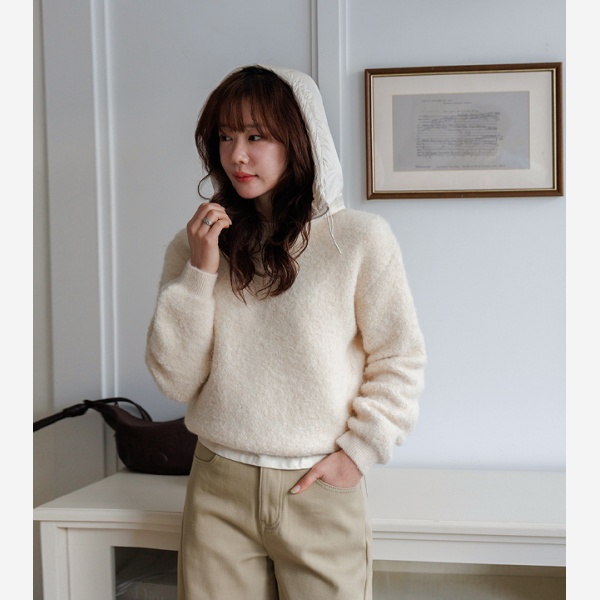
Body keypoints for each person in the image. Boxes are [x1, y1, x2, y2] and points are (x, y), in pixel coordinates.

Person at [146, 65, 426, 600]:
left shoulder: (359, 239)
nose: (237, 155)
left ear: (300, 139)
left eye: (256, 136)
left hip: (317, 485)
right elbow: (175, 380)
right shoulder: (197, 243)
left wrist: (359, 452)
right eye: (225, 137)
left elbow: (399, 358)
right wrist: (201, 271)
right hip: (218, 481)